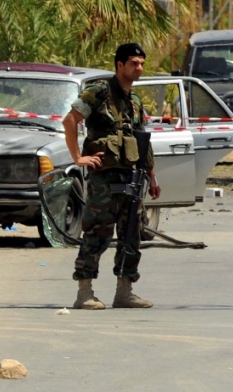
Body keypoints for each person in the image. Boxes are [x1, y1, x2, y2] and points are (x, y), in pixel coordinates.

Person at [63, 43, 161, 310]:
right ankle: (84, 292)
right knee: (97, 233)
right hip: (104, 180)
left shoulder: (136, 101)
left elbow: (142, 141)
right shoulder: (99, 92)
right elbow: (70, 120)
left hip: (132, 177)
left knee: (132, 234)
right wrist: (77, 158)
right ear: (119, 65)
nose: (138, 68)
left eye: (141, 63)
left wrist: (151, 175)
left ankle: (124, 291)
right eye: (133, 63)